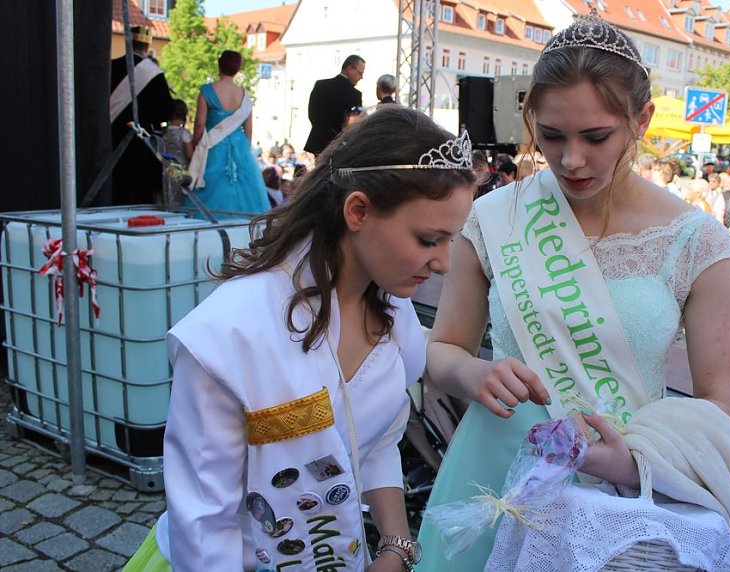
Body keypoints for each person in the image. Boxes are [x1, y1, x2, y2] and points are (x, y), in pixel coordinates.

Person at [417, 9, 730, 570]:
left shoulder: (697, 244)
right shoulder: (495, 217)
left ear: (642, 119)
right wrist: (476, 373)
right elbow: (442, 351)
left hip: (629, 490)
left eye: (596, 137)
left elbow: (718, 410)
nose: (571, 160)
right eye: (551, 136)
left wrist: (632, 464)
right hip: (501, 469)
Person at [122, 106, 476, 571]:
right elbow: (205, 527)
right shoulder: (231, 335)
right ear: (358, 210)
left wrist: (395, 544)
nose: (445, 264)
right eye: (430, 239)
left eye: (452, 239)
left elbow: (379, 439)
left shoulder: (396, 315)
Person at [185, 50, 269, 217]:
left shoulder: (207, 91)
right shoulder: (245, 96)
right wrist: (243, 151)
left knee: (210, 187)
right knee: (244, 190)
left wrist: (197, 144)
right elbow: (249, 130)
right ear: (238, 69)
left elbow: (200, 123)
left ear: (219, 65)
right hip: (240, 146)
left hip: (213, 146)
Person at [109, 25, 173, 205]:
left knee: (117, 189)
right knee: (141, 194)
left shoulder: (111, 67)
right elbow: (166, 111)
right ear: (146, 47)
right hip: (142, 141)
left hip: (113, 137)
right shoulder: (154, 73)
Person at [304, 55, 365, 155]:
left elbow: (312, 114)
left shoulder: (320, 86)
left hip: (318, 141)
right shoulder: (354, 94)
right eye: (360, 73)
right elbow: (353, 123)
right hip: (340, 144)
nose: (361, 77)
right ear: (349, 68)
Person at [162, 99, 193, 207]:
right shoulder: (184, 134)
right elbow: (189, 155)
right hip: (182, 171)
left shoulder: (163, 133)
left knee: (168, 198)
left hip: (167, 171)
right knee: (181, 200)